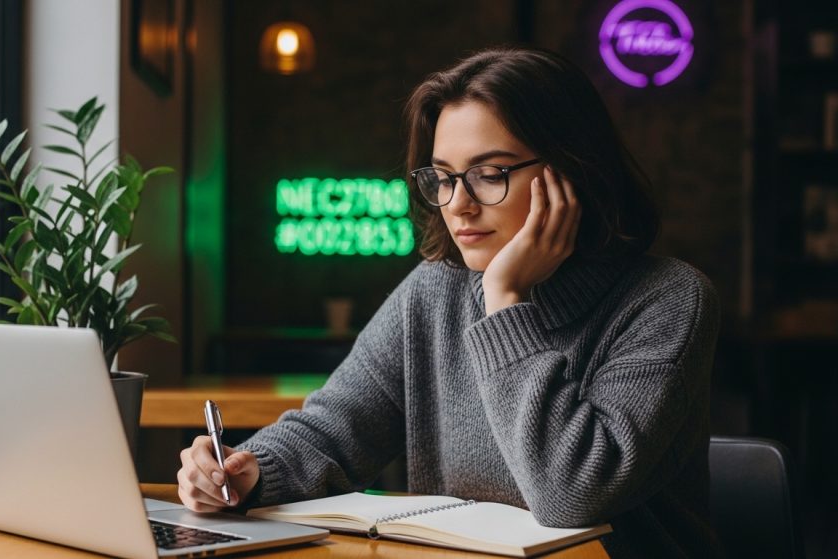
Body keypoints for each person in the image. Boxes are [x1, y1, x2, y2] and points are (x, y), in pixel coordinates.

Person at [178, 45, 723, 558]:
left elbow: (572, 494)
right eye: (442, 178)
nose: (457, 205)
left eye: (489, 175)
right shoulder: (435, 288)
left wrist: (506, 301)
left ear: (572, 172)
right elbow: (334, 431)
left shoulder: (669, 300)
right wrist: (249, 471)